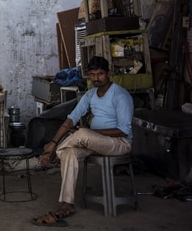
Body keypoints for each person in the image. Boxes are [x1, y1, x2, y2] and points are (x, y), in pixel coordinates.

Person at [32, 56, 134, 227]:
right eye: (92, 74)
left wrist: (90, 133)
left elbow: (124, 130)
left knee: (82, 133)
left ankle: (50, 155)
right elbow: (70, 119)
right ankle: (67, 204)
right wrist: (54, 141)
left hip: (119, 143)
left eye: (100, 74)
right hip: (95, 142)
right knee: (69, 152)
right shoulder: (90, 94)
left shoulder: (120, 95)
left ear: (108, 73)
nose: (96, 78)